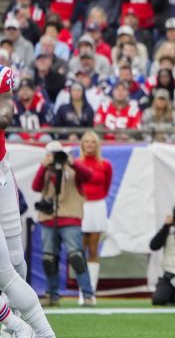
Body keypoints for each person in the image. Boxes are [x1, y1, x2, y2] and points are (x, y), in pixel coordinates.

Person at [0, 65, 57, 337]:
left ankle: (27, 327)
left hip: (0, 171)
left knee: (14, 262)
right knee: (4, 273)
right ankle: (18, 326)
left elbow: (5, 114)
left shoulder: (2, 75)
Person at [32, 141, 96, 307]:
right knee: (49, 258)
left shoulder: (73, 169)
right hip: (48, 217)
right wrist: (43, 166)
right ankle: (51, 295)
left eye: (57, 154)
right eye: (52, 154)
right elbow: (36, 187)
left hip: (70, 216)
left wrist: (72, 162)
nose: (55, 158)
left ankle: (88, 295)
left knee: (76, 256)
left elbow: (89, 176)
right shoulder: (46, 170)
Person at [76, 131, 112, 297]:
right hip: (81, 206)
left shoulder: (105, 165)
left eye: (93, 142)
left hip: (97, 207)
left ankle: (92, 290)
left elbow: (106, 188)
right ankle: (83, 291)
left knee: (93, 249)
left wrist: (95, 200)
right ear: (82, 144)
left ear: (97, 145)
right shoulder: (76, 163)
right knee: (79, 249)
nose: (90, 144)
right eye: (87, 141)